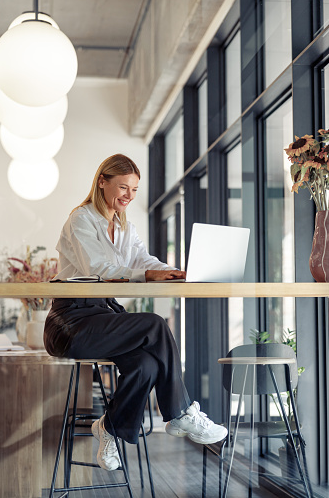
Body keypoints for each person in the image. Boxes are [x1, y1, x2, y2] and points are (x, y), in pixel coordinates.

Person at [44, 153, 227, 471]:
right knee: (155, 324)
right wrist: (149, 275)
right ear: (102, 182)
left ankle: (109, 428)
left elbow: (145, 260)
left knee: (145, 365)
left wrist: (174, 272)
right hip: (70, 323)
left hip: (102, 317)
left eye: (134, 190)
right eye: (123, 187)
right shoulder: (81, 219)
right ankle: (181, 414)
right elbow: (98, 268)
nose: (129, 195)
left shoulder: (124, 226)